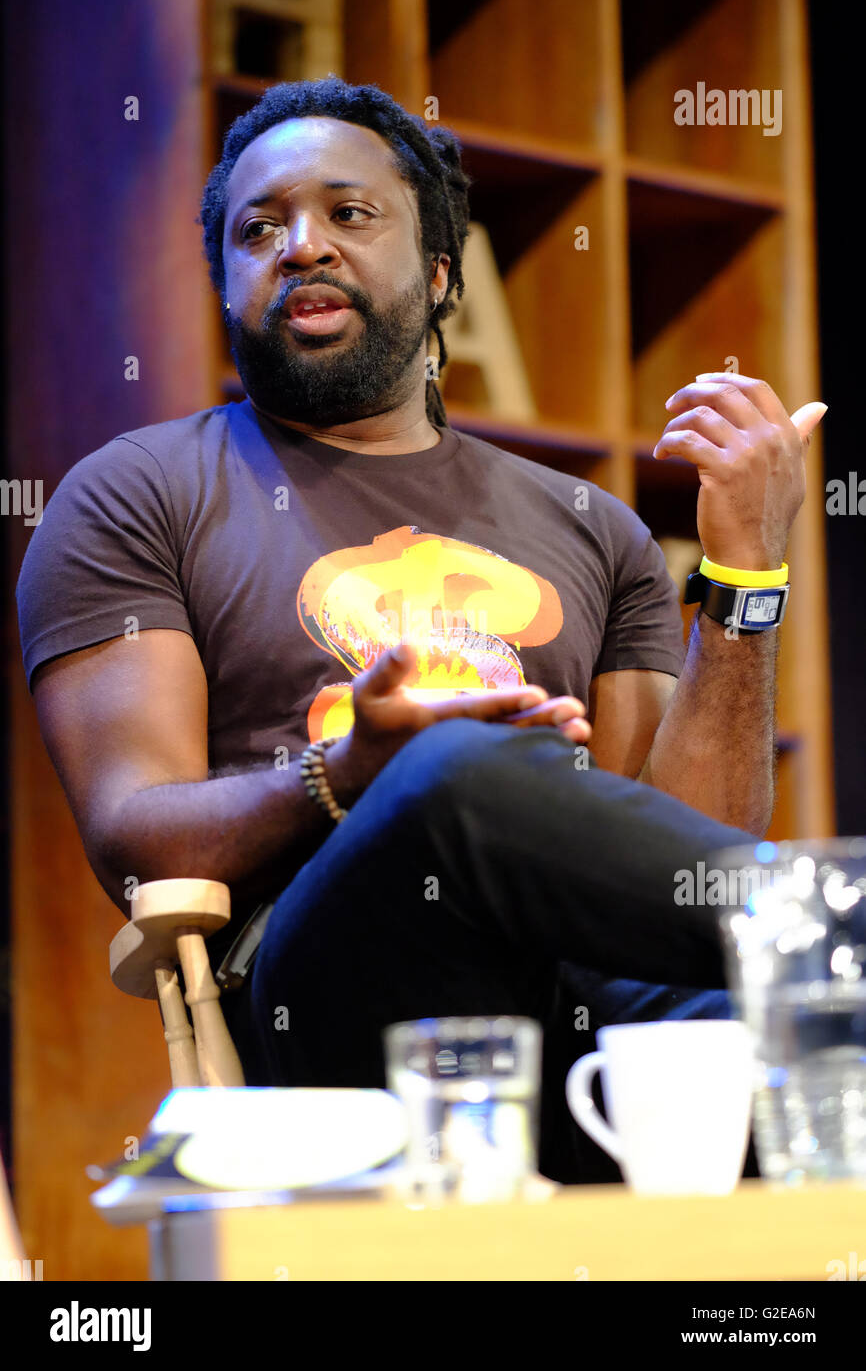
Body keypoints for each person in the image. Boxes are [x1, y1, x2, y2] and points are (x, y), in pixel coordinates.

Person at [15, 77, 826, 1184]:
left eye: (348, 213)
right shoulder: (139, 492)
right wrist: (349, 765)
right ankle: (835, 926)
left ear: (439, 271)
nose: (300, 246)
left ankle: (827, 959)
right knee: (452, 766)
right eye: (258, 230)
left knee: (789, 1045)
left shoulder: (593, 528)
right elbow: (130, 830)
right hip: (330, 1009)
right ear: (227, 285)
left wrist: (743, 567)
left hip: (592, 1017)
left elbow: (676, 865)